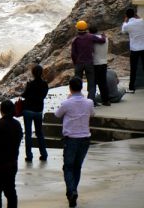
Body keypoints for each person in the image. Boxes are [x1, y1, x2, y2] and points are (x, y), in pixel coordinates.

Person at [55, 77, 95, 207]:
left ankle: (72, 191)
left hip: (71, 139)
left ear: (70, 88)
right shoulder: (89, 102)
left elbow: (57, 114)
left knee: (68, 167)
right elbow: (92, 114)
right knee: (77, 167)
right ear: (81, 88)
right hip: (85, 139)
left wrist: (68, 99)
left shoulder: (67, 103)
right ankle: (73, 191)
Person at [71, 20, 106, 101]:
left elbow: (73, 54)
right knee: (91, 83)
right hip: (89, 63)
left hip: (79, 63)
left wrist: (75, 63)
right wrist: (103, 36)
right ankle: (91, 101)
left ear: (77, 29)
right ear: (85, 28)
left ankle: (77, 100)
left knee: (77, 83)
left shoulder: (75, 40)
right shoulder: (90, 36)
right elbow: (102, 41)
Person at [21, 64, 49, 162]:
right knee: (39, 133)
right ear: (42, 73)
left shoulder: (30, 84)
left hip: (28, 110)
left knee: (28, 133)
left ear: (33, 73)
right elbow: (44, 96)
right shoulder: (44, 84)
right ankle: (44, 154)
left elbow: (24, 95)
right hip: (38, 111)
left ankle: (29, 156)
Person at [121, 8, 144, 92]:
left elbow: (123, 30)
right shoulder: (142, 21)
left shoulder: (127, 25)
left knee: (133, 69)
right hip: (143, 48)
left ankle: (131, 87)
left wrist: (125, 20)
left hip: (134, 49)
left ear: (126, 16)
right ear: (135, 14)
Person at [89, 24, 111, 106]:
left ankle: (92, 101)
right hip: (104, 62)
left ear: (90, 32)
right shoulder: (106, 38)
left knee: (93, 83)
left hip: (95, 63)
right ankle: (106, 101)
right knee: (103, 83)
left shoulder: (92, 39)